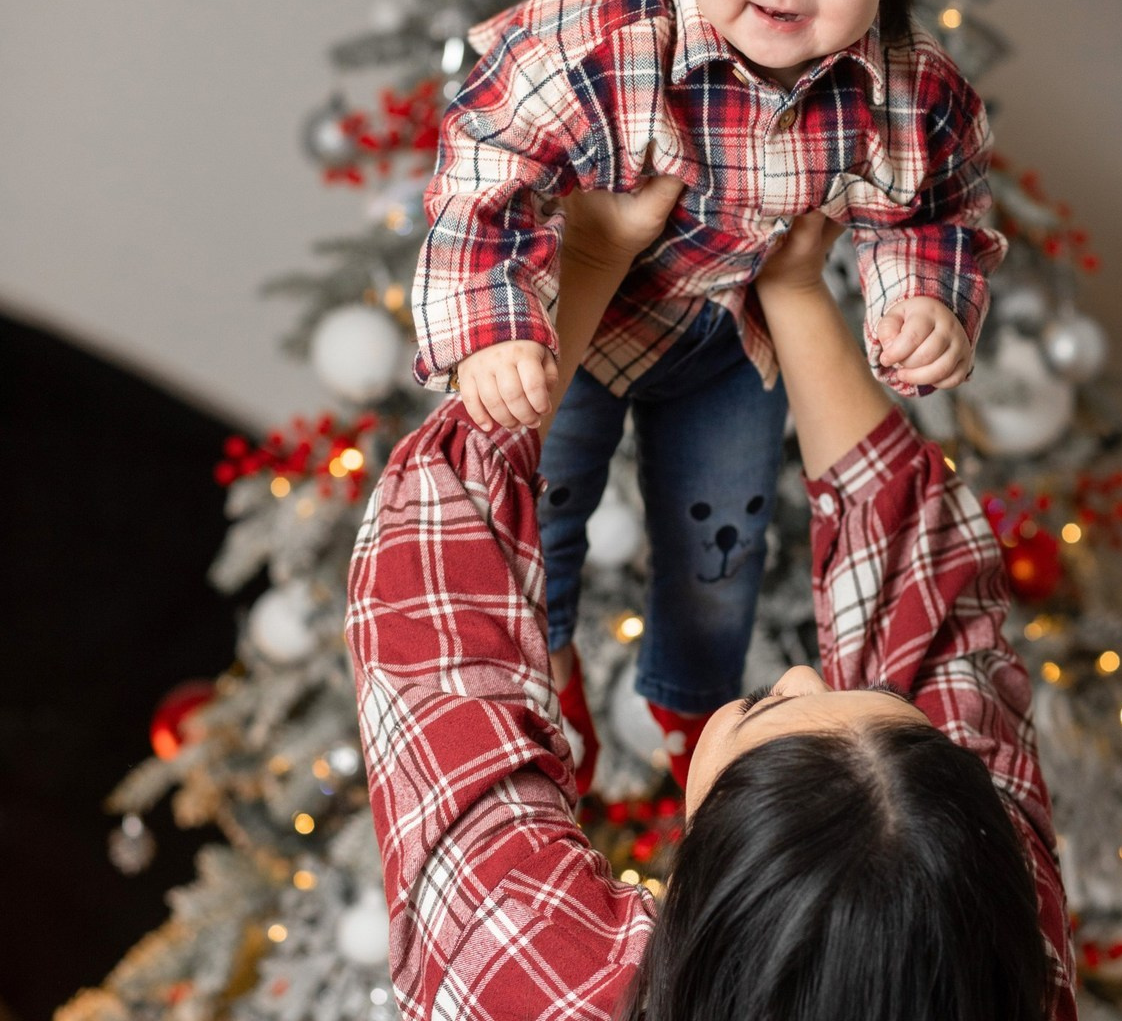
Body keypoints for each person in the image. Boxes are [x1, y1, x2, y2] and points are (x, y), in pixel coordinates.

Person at [409, 0, 1007, 789]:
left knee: (721, 540)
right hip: (578, 322)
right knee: (538, 501)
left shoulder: (903, 93)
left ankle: (698, 719)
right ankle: (542, 665)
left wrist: (921, 300)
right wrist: (493, 325)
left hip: (730, 338)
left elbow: (933, 209)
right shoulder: (602, 28)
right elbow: (485, 158)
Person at [347, 183, 1076, 1020]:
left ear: (705, 888)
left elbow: (432, 596)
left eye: (766, 707)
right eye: (879, 702)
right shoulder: (999, 944)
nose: (801, 672)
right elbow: (936, 613)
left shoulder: (532, 984)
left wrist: (585, 261)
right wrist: (793, 287)